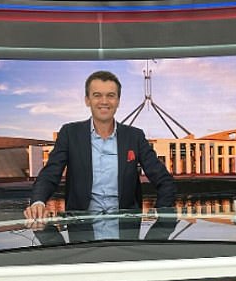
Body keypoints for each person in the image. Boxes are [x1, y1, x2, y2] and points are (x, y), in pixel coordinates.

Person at [24, 70, 176, 222]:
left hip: (125, 232)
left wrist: (161, 221)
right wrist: (38, 202)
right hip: (82, 232)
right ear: (87, 100)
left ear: (118, 101)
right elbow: (50, 174)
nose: (104, 101)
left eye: (110, 95)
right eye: (97, 95)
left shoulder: (134, 136)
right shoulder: (70, 133)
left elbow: (164, 181)